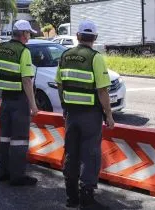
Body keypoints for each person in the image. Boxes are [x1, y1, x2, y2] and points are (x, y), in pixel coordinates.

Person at [55, 20, 115, 209]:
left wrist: (65, 106)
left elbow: (59, 84)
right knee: (90, 155)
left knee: (71, 153)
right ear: (95, 38)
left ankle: (71, 197)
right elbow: (103, 91)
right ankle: (87, 198)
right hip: (90, 115)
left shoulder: (65, 55)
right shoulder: (95, 57)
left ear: (78, 36)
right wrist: (109, 115)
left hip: (71, 114)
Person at [0, 20, 39, 186]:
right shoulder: (23, 52)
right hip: (19, 101)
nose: (29, 36)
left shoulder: (0, 48)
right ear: (23, 34)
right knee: (19, 139)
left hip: (5, 100)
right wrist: (33, 105)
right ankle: (17, 176)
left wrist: (1, 46)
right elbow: (26, 81)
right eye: (28, 33)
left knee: (4, 137)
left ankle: (3, 172)